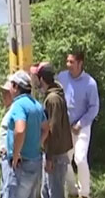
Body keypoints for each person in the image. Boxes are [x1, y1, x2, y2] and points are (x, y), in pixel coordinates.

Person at [58, 50, 99, 198]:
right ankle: (73, 191)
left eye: (71, 62)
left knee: (80, 158)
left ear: (80, 63)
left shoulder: (90, 83)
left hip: (82, 126)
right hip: (65, 126)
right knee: (64, 159)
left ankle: (84, 193)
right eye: (67, 61)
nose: (68, 64)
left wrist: (80, 124)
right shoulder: (62, 77)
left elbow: (94, 107)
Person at [30, 62, 72, 198]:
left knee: (55, 193)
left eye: (36, 78)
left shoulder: (53, 99)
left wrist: (49, 157)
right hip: (53, 154)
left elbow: (53, 131)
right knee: (46, 193)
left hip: (55, 156)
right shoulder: (53, 96)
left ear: (42, 79)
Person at [6, 70, 49, 198]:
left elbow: (20, 130)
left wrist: (16, 154)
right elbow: (46, 128)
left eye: (11, 85)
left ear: (16, 87)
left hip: (21, 163)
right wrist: (37, 144)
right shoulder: (37, 105)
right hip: (35, 160)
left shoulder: (18, 105)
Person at [0, 80, 14, 198]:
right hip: (4, 158)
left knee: (7, 190)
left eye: (6, 93)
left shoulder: (14, 110)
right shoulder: (9, 110)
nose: (3, 96)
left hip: (8, 157)